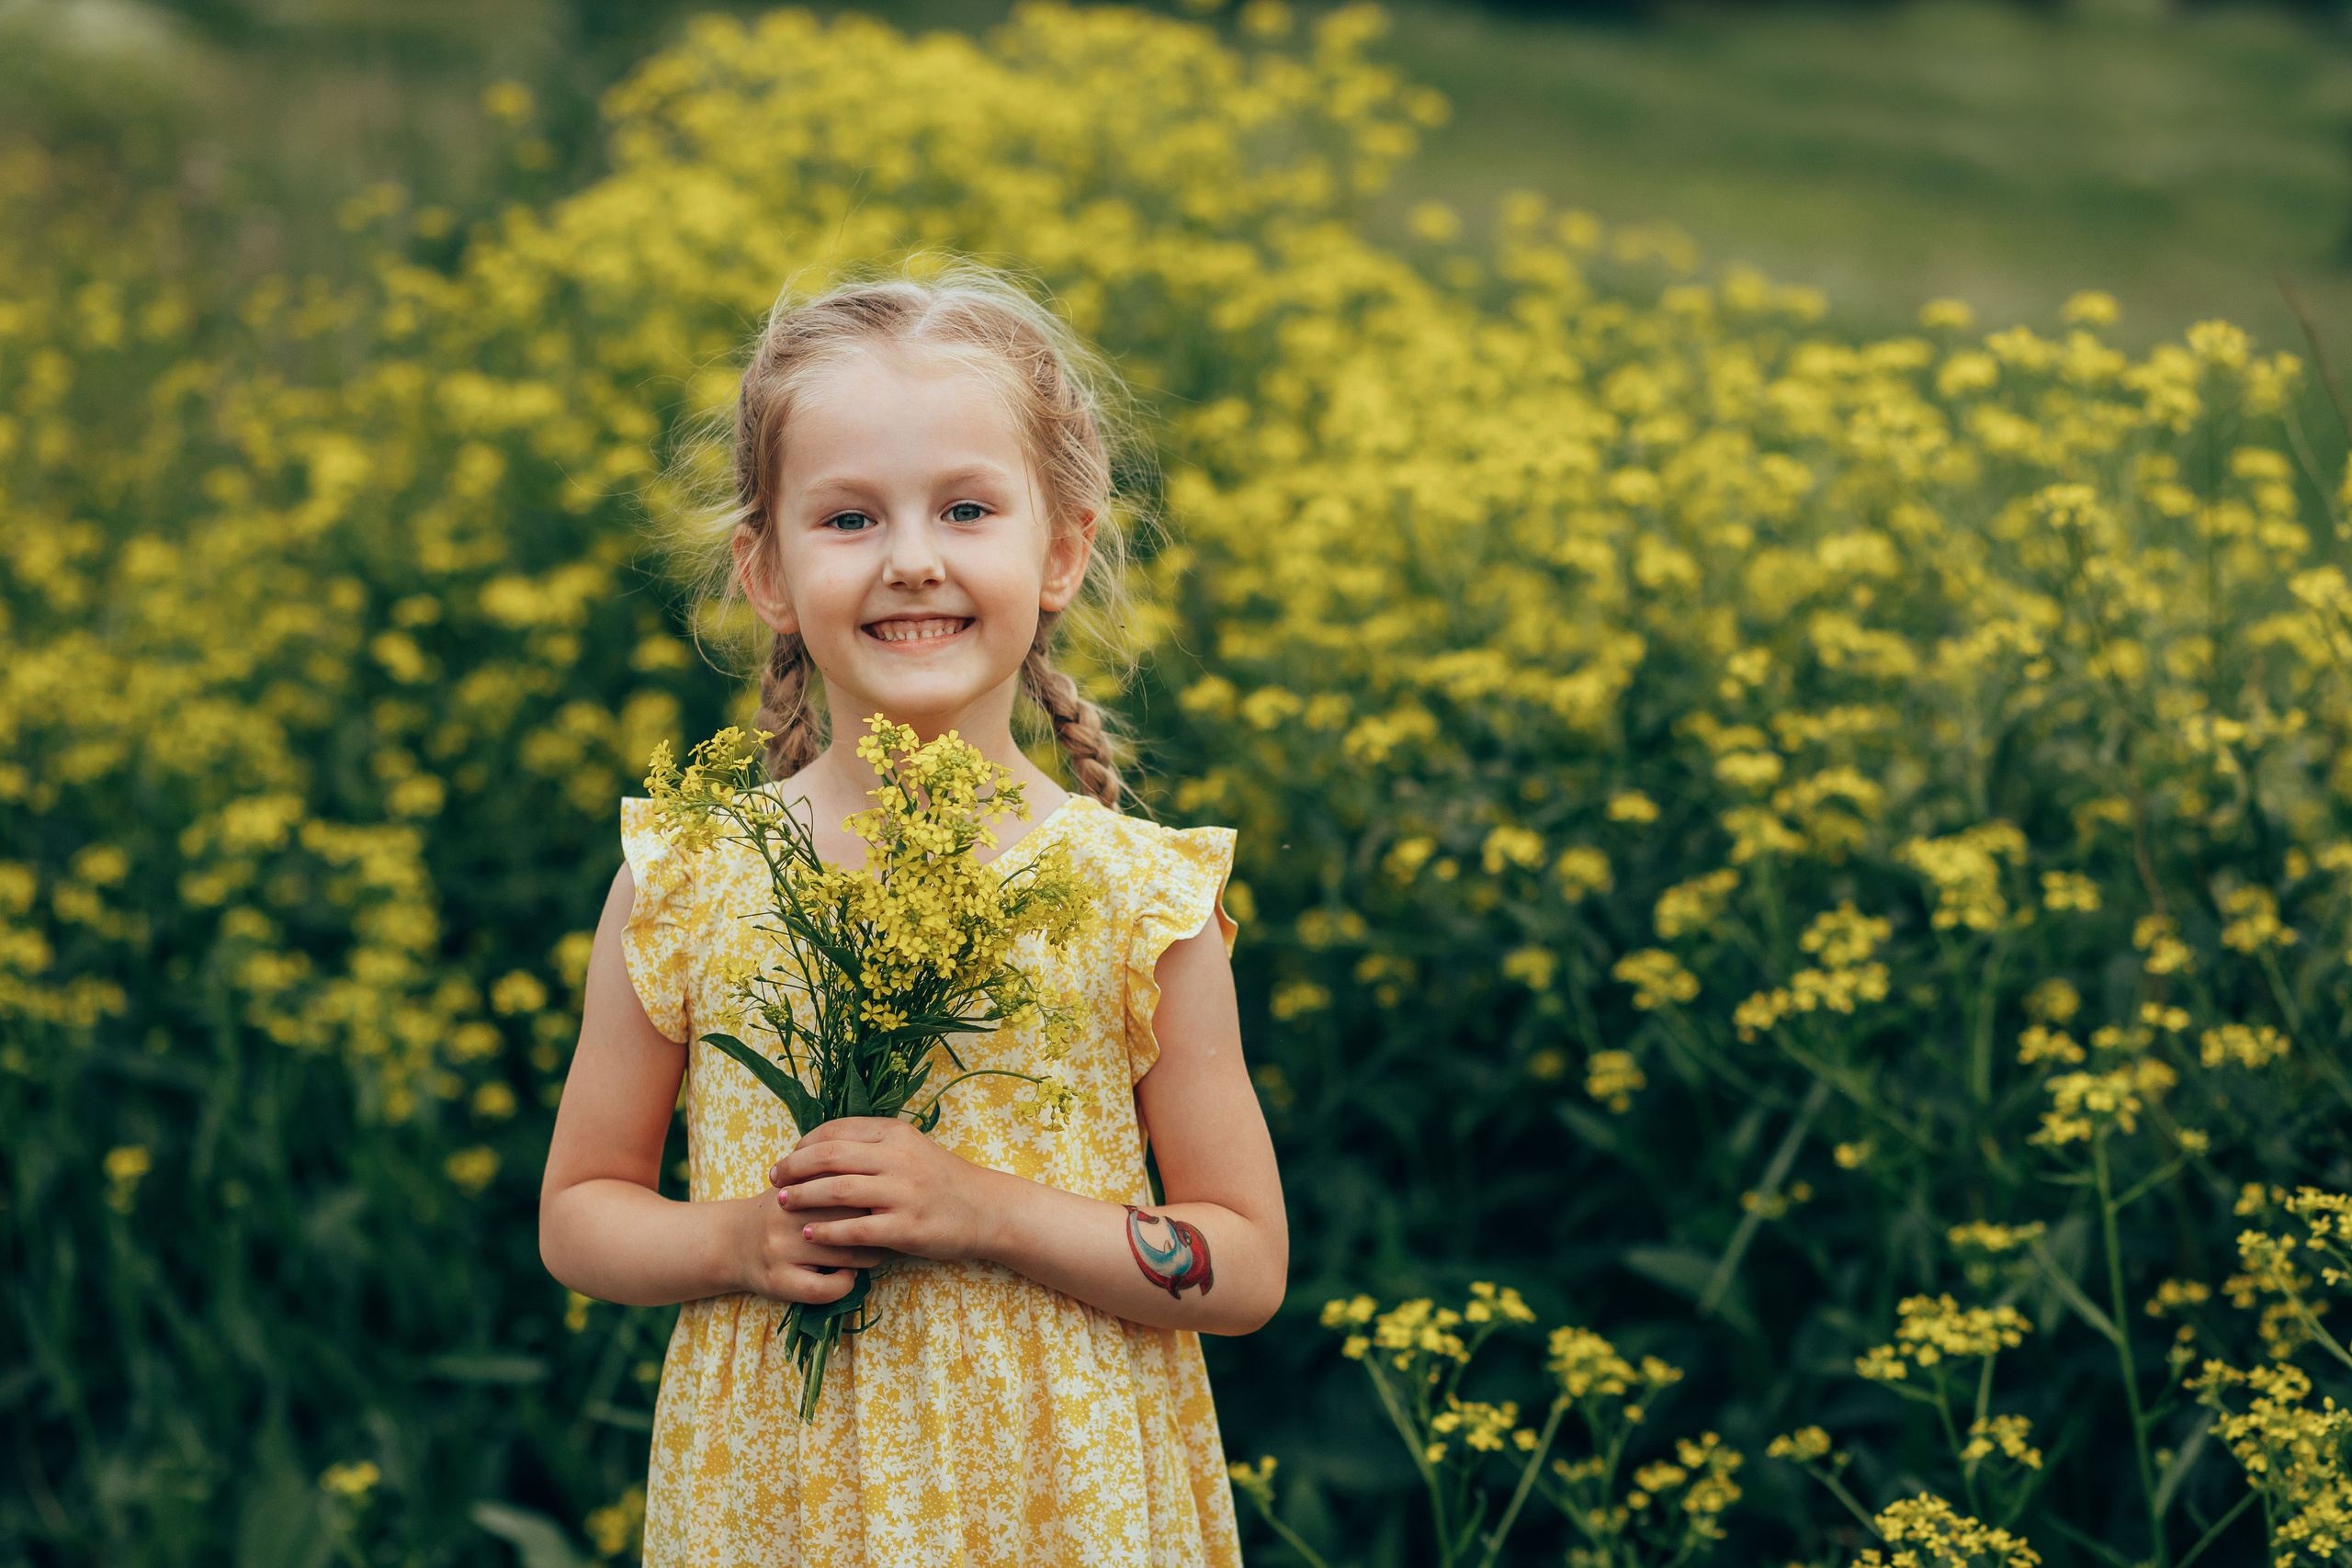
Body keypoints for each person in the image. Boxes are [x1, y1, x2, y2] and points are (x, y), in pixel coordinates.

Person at [538, 264, 1285, 1566]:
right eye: (847, 520)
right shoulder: (691, 877)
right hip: (783, 1505)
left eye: (965, 508)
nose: (913, 560)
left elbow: (1242, 1263)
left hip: (1062, 1504)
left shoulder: (1135, 895)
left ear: (1061, 550)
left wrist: (980, 1209)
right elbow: (581, 1210)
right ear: (763, 571)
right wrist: (737, 1239)